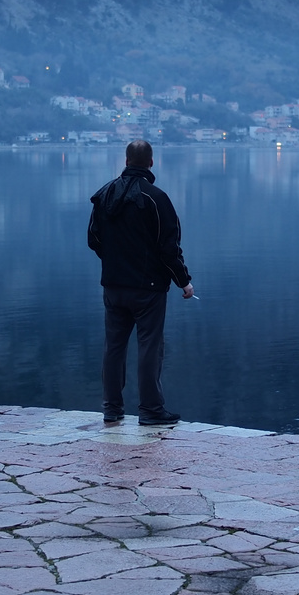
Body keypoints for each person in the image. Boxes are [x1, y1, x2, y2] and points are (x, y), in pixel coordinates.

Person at [87, 139, 194, 426]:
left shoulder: (104, 195)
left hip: (113, 285)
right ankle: (150, 410)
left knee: (114, 346)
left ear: (126, 160)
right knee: (149, 346)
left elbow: (93, 239)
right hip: (148, 288)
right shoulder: (156, 199)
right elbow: (169, 248)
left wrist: (114, 261)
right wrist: (184, 282)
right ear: (151, 162)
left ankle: (112, 408)